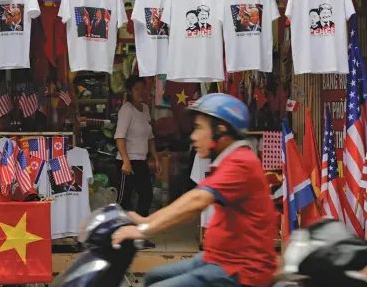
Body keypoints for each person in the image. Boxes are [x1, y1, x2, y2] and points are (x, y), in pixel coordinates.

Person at [112, 93, 277, 287]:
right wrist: (146, 221)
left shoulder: (241, 162)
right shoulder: (227, 160)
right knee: (152, 277)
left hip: (240, 270)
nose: (193, 136)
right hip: (216, 258)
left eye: (199, 128)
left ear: (220, 131)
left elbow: (197, 201)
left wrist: (143, 229)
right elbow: (192, 199)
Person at [115, 75, 163, 248]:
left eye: (143, 88)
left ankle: (138, 236)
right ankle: (117, 237)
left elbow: (150, 137)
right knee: (124, 201)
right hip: (127, 163)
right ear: (129, 91)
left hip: (141, 161)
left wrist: (156, 158)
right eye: (136, 89)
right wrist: (126, 162)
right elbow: (119, 137)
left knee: (146, 196)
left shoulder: (145, 109)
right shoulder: (126, 110)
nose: (141, 92)